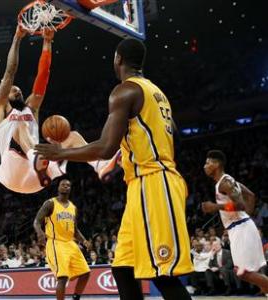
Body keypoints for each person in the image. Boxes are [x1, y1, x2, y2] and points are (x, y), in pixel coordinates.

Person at [35, 38, 193, 300]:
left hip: (153, 182)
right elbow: (174, 135)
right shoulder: (156, 93)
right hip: (142, 184)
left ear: (118, 58)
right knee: (123, 268)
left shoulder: (124, 91)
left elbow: (106, 147)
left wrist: (61, 152)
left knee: (162, 274)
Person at [0, 25, 120, 194]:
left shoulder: (32, 109)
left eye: (19, 90)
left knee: (72, 136)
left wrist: (47, 41)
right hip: (11, 174)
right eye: (14, 90)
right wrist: (17, 38)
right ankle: (36, 158)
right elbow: (10, 71)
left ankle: (100, 165)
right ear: (4, 94)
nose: (18, 90)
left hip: (35, 180)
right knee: (20, 125)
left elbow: (43, 76)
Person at [202, 149, 268, 293]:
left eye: (207, 163)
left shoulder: (224, 183)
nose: (204, 166)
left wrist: (216, 207)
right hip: (241, 226)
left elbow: (240, 204)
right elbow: (250, 195)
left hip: (240, 228)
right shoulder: (227, 181)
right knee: (248, 272)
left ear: (216, 164)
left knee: (243, 272)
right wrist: (247, 218)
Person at [34, 179, 91, 300]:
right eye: (63, 185)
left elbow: (75, 230)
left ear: (70, 189)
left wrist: (84, 241)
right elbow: (36, 221)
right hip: (56, 243)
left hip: (70, 243)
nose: (66, 187)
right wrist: (40, 233)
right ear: (58, 188)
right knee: (62, 277)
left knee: (86, 273)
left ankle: (76, 297)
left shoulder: (73, 208)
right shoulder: (50, 203)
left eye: (68, 185)